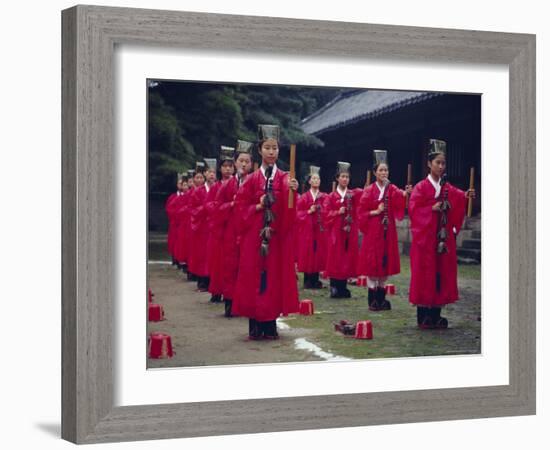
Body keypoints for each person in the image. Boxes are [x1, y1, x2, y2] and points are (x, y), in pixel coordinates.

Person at [233, 125, 299, 339]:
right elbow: (240, 210)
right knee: (254, 278)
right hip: (254, 238)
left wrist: (292, 193)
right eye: (267, 148)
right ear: (260, 150)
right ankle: (254, 324)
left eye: (275, 148)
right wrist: (259, 206)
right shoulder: (251, 180)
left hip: (276, 239)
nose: (272, 152)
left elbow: (290, 215)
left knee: (273, 280)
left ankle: (270, 323)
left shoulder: (284, 178)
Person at [408, 139, 476, 329]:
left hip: (442, 239)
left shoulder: (447, 187)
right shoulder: (421, 187)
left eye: (443, 163)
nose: (440, 166)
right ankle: (423, 316)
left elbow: (458, 197)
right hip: (425, 240)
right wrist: (432, 208)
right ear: (429, 164)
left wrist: (466, 196)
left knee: (440, 274)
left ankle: (436, 314)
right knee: (425, 274)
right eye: (437, 162)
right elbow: (413, 210)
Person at [357, 150, 412, 311]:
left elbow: (400, 197)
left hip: (388, 232)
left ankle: (381, 298)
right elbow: (361, 213)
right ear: (375, 172)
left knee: (384, 264)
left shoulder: (391, 188)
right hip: (374, 231)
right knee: (373, 265)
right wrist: (375, 211)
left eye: (386, 170)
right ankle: (372, 299)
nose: (383, 172)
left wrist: (406, 193)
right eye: (380, 170)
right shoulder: (369, 190)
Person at [217, 140, 254, 317]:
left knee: (246, 268)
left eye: (247, 161)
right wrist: (230, 205)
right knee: (230, 267)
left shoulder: (255, 183)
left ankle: (245, 303)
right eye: (241, 161)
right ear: (235, 163)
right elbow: (216, 207)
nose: (244, 164)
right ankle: (229, 303)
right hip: (231, 232)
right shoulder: (227, 185)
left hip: (248, 232)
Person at [323, 162, 363, 298]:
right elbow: (325, 214)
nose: (345, 179)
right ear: (337, 178)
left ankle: (343, 286)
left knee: (347, 258)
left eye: (347, 177)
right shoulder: (331, 197)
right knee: (336, 257)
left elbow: (364, 198)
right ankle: (334, 285)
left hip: (349, 231)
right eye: (342, 176)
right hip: (336, 232)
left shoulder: (353, 194)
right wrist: (337, 212)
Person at [206, 148, 235, 303]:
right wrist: (226, 206)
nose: (228, 169)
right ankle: (216, 291)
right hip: (219, 230)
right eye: (225, 166)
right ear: (220, 168)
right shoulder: (216, 187)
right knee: (218, 263)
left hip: (233, 229)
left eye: (230, 166)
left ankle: (229, 293)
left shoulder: (238, 184)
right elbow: (209, 206)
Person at [296, 166, 327, 289]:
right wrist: (309, 211)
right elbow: (297, 214)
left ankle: (316, 279)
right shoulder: (304, 197)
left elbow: (327, 210)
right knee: (307, 252)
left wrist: (320, 210)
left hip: (318, 230)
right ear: (309, 181)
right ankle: (307, 280)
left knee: (317, 252)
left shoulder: (324, 196)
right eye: (313, 179)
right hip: (307, 230)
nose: (316, 181)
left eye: (317, 179)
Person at [188, 162, 211, 291]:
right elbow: (192, 209)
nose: (211, 175)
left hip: (212, 226)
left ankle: (209, 282)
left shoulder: (216, 188)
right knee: (202, 255)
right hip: (202, 226)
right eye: (208, 172)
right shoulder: (198, 192)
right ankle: (202, 281)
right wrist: (204, 208)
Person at [165, 174, 185, 266]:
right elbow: (169, 210)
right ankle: (174, 259)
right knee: (174, 242)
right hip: (175, 223)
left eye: (183, 183)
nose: (181, 185)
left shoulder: (187, 196)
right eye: (179, 183)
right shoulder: (172, 197)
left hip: (183, 223)